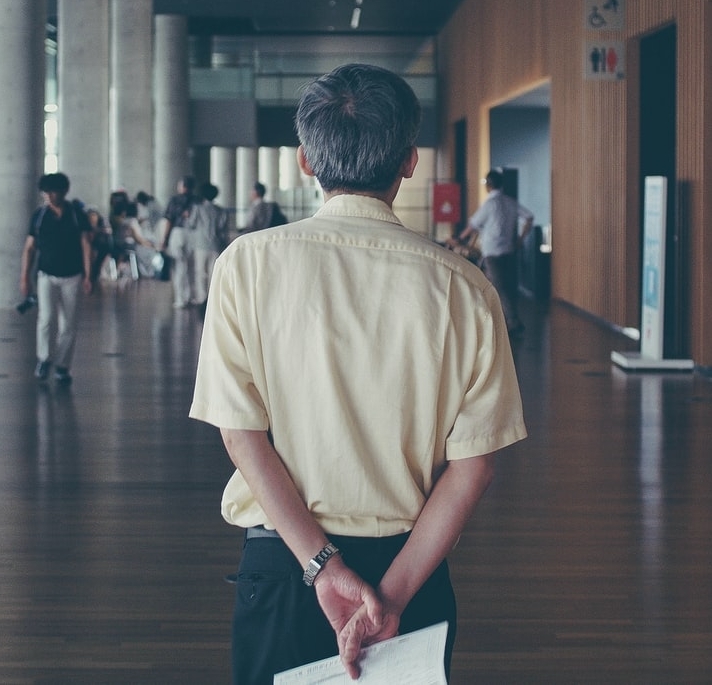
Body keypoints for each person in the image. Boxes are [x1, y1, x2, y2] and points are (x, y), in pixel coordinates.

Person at [189, 63, 526, 684]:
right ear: (409, 161)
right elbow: (473, 465)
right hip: (411, 568)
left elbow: (242, 437)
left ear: (305, 163)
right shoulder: (465, 288)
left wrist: (324, 566)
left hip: (285, 561)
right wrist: (390, 596)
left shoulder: (246, 266)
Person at [19, 172, 92, 384]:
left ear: (63, 192)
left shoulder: (77, 215)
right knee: (46, 319)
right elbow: (29, 248)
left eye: (54, 192)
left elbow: (86, 245)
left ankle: (62, 365)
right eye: (46, 193)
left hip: (72, 275)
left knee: (69, 324)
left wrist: (89, 275)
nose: (50, 197)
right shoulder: (40, 217)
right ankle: (44, 359)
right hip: (46, 275)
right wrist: (24, 277)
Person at [456, 169, 534, 337]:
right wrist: (520, 240)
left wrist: (459, 238)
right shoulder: (511, 202)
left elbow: (474, 225)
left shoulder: (490, 204)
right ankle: (506, 320)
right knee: (509, 287)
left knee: (498, 286)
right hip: (509, 250)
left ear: (488, 185)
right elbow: (529, 217)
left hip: (492, 253)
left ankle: (512, 321)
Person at [184, 182, 228, 307]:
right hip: (216, 245)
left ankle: (201, 298)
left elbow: (191, 224)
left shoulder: (198, 208)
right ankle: (212, 298)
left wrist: (187, 217)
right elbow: (222, 228)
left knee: (200, 273)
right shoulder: (220, 210)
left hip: (200, 245)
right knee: (213, 273)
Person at [160, 176, 199, 308]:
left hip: (177, 233)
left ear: (182, 186)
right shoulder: (197, 201)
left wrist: (164, 239)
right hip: (193, 234)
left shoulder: (174, 200)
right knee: (191, 267)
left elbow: (169, 220)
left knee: (178, 267)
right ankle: (193, 296)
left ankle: (180, 299)